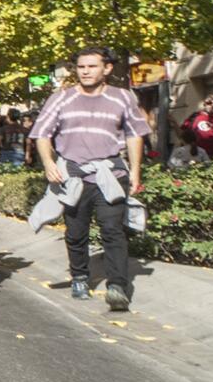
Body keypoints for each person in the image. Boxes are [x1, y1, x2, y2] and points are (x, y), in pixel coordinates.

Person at [29, 46, 149, 311]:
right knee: (76, 232)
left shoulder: (122, 98)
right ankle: (80, 276)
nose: (85, 71)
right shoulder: (62, 97)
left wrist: (136, 172)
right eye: (81, 67)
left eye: (91, 66)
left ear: (106, 68)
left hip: (111, 173)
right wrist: (49, 163)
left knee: (113, 231)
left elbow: (134, 135)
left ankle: (117, 286)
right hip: (74, 175)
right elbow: (42, 133)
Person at [180, 94, 213, 160]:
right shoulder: (195, 116)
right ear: (204, 104)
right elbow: (183, 133)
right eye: (209, 103)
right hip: (195, 156)